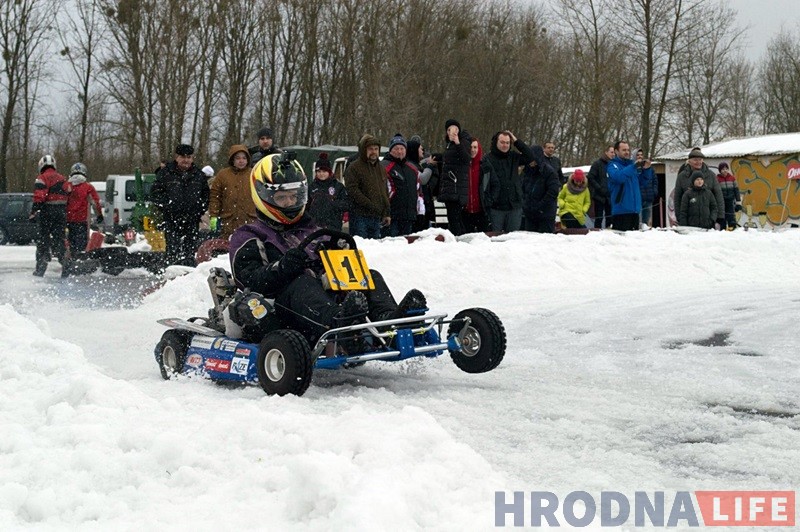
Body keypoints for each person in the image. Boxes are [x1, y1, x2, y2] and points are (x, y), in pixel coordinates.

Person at [228, 152, 426, 342]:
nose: (289, 202)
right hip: (282, 306)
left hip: (321, 300)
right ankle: (341, 325)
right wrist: (281, 268)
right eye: (281, 198)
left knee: (368, 275)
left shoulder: (311, 228)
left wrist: (335, 252)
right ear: (264, 196)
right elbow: (248, 279)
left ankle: (387, 319)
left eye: (294, 197)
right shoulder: (249, 235)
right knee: (302, 283)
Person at [150, 144, 210, 266]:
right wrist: (167, 206)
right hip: (172, 219)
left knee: (190, 251)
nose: (186, 160)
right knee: (172, 251)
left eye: (189, 157)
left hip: (192, 219)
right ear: (177, 157)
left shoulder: (199, 175)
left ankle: (188, 275)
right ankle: (171, 274)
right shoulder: (165, 174)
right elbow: (155, 194)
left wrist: (199, 209)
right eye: (183, 157)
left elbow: (206, 195)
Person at [481, 130, 535, 232]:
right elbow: (484, 183)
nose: (505, 145)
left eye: (507, 142)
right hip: (496, 207)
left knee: (512, 240)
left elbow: (530, 156)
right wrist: (489, 200)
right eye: (502, 142)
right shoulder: (487, 159)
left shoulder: (513, 156)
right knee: (495, 239)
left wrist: (516, 140)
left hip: (514, 206)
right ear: (496, 142)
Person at [30, 154, 72, 277]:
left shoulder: (42, 178)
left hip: (46, 212)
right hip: (61, 213)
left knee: (43, 239)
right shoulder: (63, 179)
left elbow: (39, 197)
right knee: (59, 238)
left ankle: (41, 264)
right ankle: (64, 260)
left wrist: (33, 212)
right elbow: (69, 193)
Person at [344, 133, 390, 239]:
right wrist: (369, 205)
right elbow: (352, 190)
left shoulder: (381, 168)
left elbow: (384, 191)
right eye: (370, 149)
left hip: (376, 217)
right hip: (359, 215)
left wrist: (386, 212)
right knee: (361, 247)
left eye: (376, 149)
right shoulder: (354, 167)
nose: (373, 152)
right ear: (364, 150)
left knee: (374, 249)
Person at [208, 144, 257, 240]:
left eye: (244, 158)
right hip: (228, 221)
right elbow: (215, 196)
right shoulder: (223, 175)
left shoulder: (254, 174)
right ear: (232, 160)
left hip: (250, 220)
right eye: (238, 158)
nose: (241, 161)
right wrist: (213, 215)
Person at [606, 141, 654, 231]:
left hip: (635, 210)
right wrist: (633, 166)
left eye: (628, 150)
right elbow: (619, 177)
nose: (627, 152)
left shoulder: (631, 165)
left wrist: (646, 170)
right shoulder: (612, 165)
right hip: (621, 212)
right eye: (624, 150)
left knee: (633, 242)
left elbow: (642, 182)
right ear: (616, 151)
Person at [381, 133, 422, 237]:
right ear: (390, 150)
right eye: (396, 148)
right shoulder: (384, 166)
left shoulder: (412, 169)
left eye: (402, 148)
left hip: (409, 215)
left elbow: (418, 191)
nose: (399, 151)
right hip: (391, 216)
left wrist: (420, 211)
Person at [674, 148, 724, 229]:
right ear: (689, 161)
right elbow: (677, 197)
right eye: (695, 160)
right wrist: (679, 217)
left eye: (700, 159)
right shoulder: (682, 176)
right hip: (689, 222)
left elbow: (718, 195)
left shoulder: (711, 175)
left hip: (707, 221)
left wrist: (719, 216)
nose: (698, 162)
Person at [438, 119, 471, 236]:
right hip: (449, 187)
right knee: (454, 218)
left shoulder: (463, 142)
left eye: (455, 129)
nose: (452, 132)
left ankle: (458, 239)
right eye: (449, 130)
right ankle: (459, 237)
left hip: (456, 188)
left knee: (455, 218)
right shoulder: (448, 145)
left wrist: (457, 142)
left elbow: (466, 159)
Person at [520, 144, 560, 233]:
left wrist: (539, 206)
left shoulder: (549, 172)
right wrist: (525, 205)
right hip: (529, 214)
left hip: (545, 214)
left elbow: (553, 192)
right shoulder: (527, 171)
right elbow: (522, 189)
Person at [65, 162, 103, 256]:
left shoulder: (66, 186)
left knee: (70, 242)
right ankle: (80, 261)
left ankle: (70, 259)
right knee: (81, 244)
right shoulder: (88, 187)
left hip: (67, 220)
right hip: (81, 220)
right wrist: (99, 215)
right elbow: (95, 203)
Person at [307, 152, 349, 232]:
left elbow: (346, 204)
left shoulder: (338, 186)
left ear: (329, 172)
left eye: (324, 171)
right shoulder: (312, 187)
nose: (321, 174)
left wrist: (332, 203)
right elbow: (306, 206)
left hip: (333, 226)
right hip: (314, 227)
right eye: (319, 172)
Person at [406, 136, 439, 232]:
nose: (422, 151)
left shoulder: (418, 164)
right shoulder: (411, 166)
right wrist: (430, 166)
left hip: (423, 206)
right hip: (418, 208)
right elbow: (423, 179)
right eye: (420, 148)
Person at [463, 137, 488, 233]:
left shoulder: (484, 165)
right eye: (470, 147)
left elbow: (495, 184)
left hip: (481, 211)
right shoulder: (463, 165)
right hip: (465, 211)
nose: (473, 150)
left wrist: (488, 200)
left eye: (475, 147)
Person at [588, 145, 614, 228]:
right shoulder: (597, 164)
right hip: (599, 196)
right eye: (611, 152)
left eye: (614, 152)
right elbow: (591, 178)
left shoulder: (614, 165)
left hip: (610, 195)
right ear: (606, 152)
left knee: (609, 217)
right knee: (598, 217)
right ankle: (597, 232)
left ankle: (609, 233)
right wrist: (599, 188)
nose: (613, 154)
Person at [636, 148, 658, 228]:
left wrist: (654, 191)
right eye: (638, 155)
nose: (640, 156)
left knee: (646, 220)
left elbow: (655, 181)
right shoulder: (634, 168)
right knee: (637, 219)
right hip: (638, 198)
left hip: (648, 197)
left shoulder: (650, 168)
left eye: (641, 155)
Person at [716, 162, 742, 229]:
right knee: (722, 217)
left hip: (730, 201)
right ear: (720, 170)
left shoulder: (732, 178)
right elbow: (716, 191)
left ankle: (732, 229)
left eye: (726, 169)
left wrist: (738, 202)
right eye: (723, 169)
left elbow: (736, 191)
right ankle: (723, 229)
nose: (725, 170)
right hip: (722, 201)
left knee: (731, 217)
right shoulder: (717, 179)